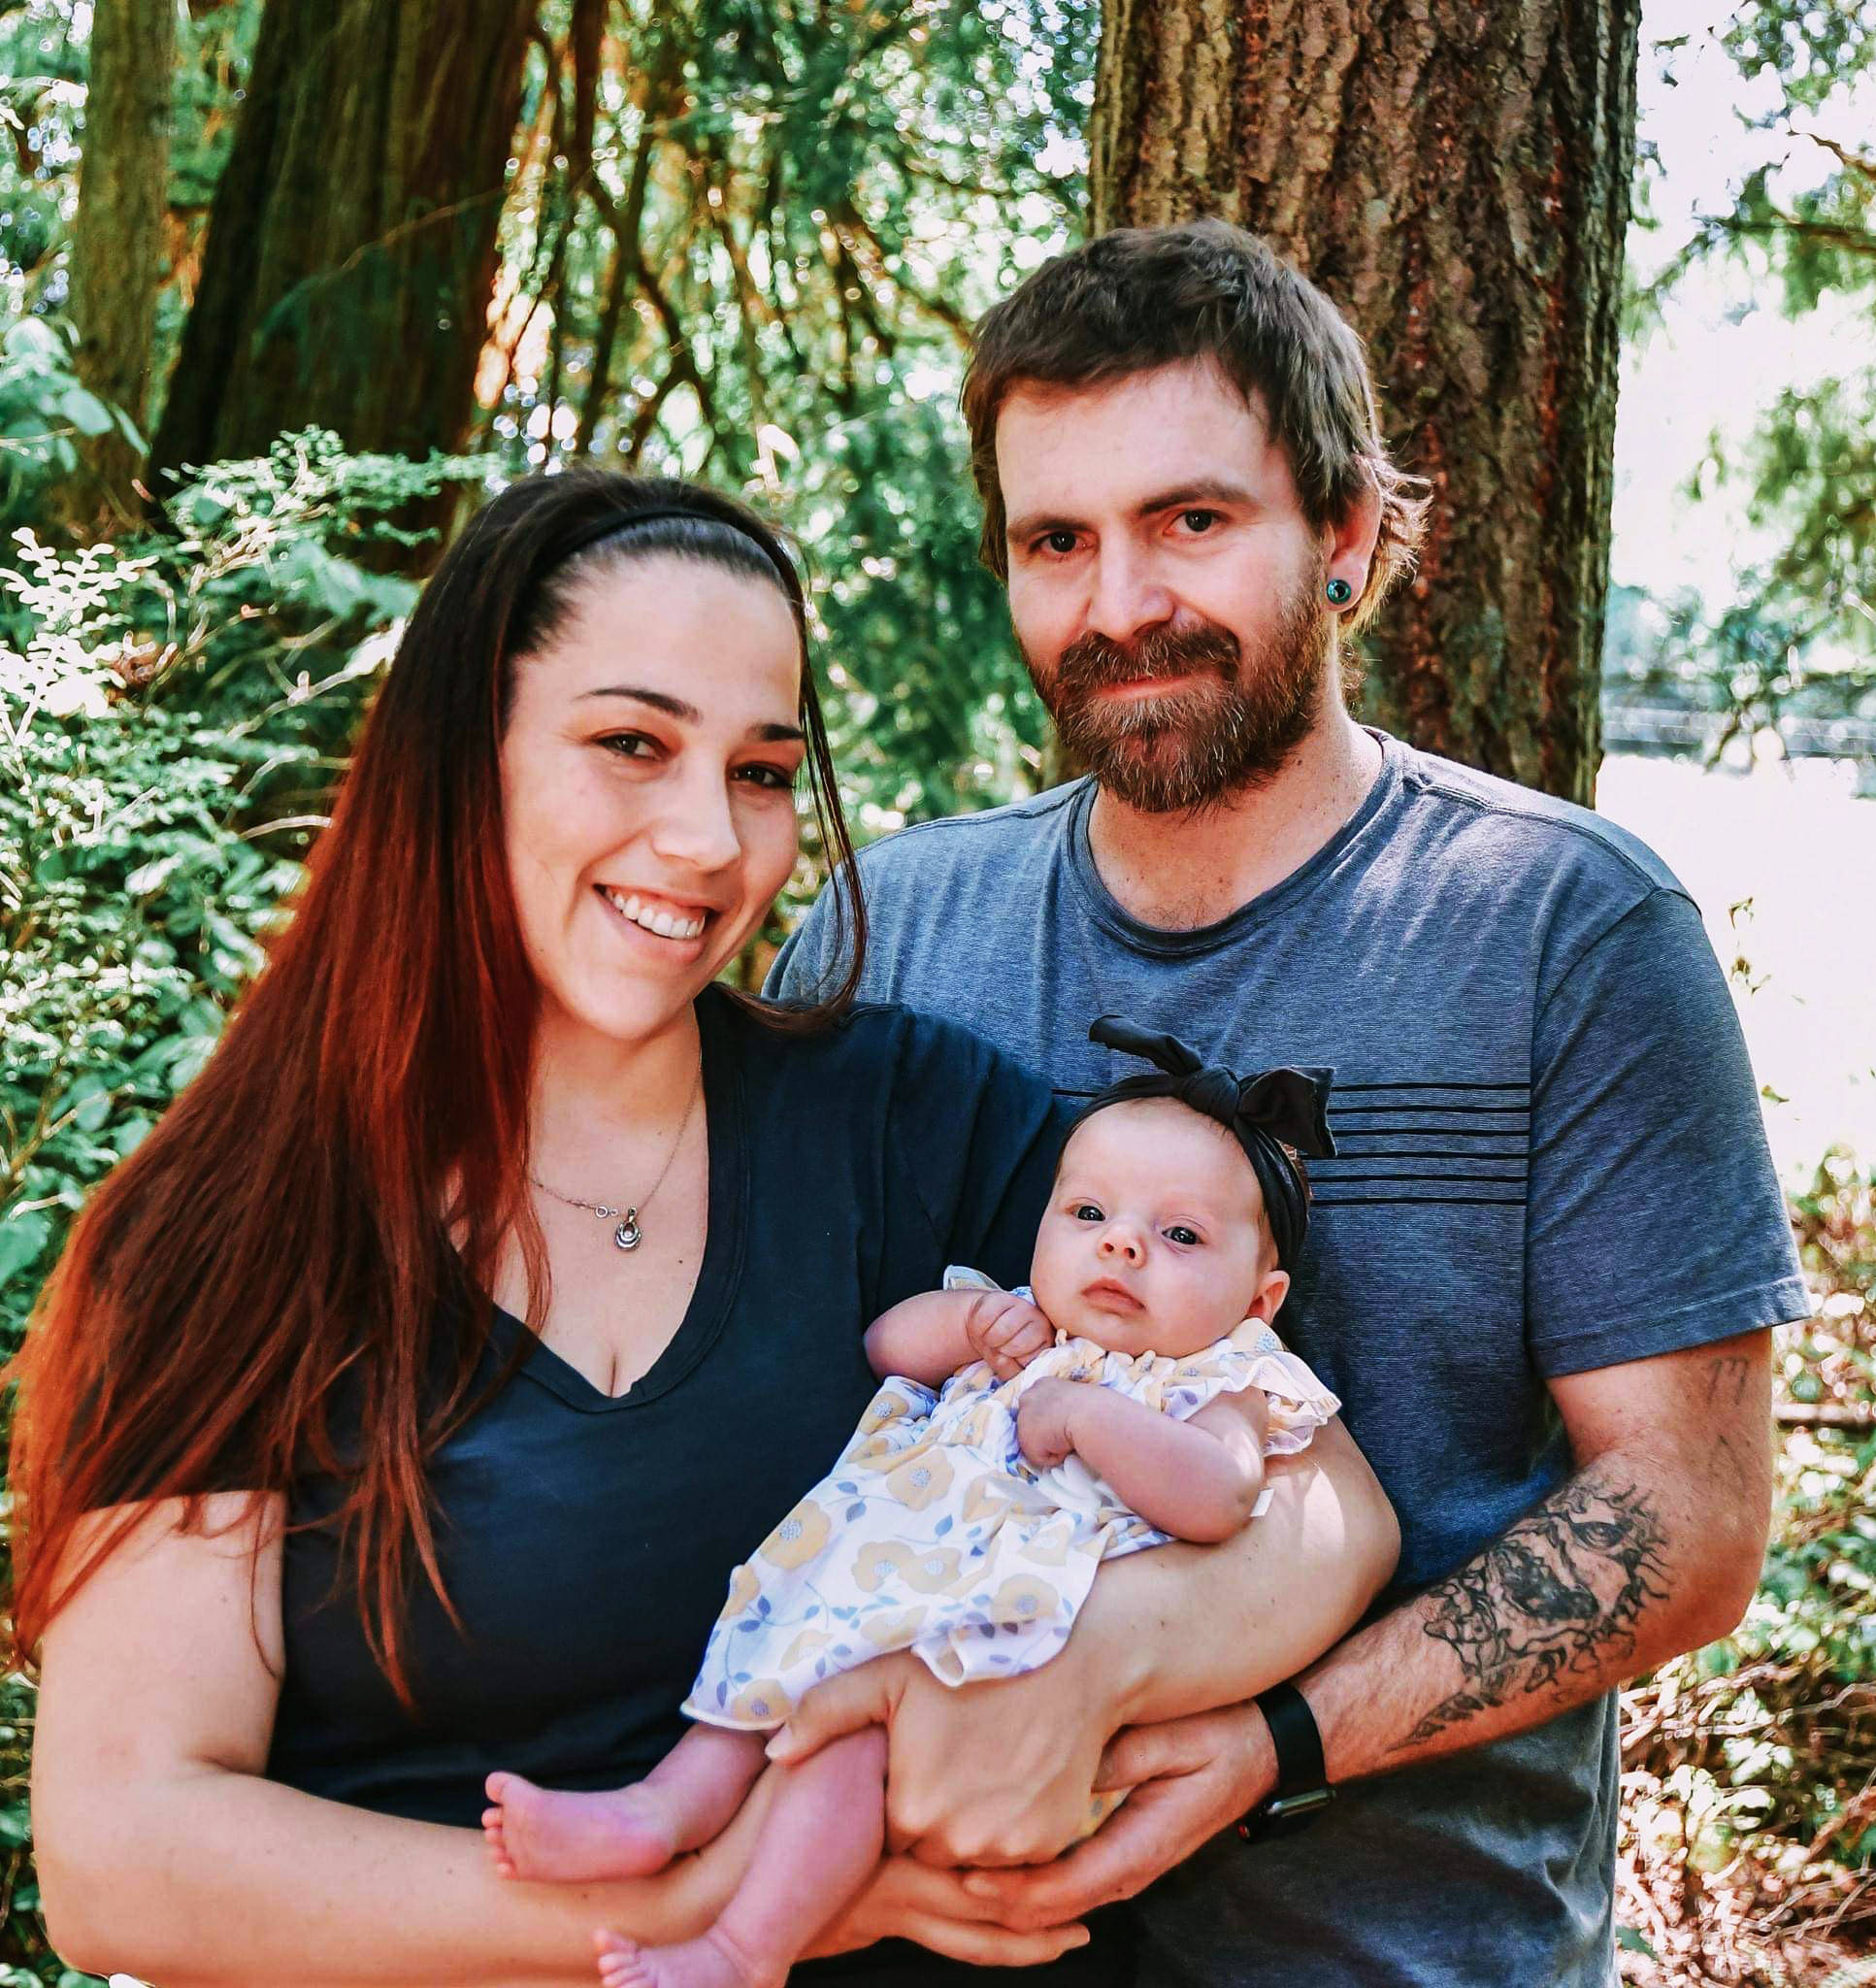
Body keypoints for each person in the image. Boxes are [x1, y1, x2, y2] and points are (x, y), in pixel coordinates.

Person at [11, 470, 1399, 1988]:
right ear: (461, 758)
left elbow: (1328, 1510)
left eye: (758, 771)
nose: (706, 841)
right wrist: (710, 1908)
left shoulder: (905, 1120)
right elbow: (123, 1855)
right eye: (630, 745)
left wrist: (1091, 1668)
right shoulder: (228, 1235)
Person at [766, 219, 1809, 1985]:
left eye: (1189, 520)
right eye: (1053, 540)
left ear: (1337, 533)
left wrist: (1271, 1743)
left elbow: (1691, 1516)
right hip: (892, 1931)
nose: (1117, 604)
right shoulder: (884, 937)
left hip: (1389, 1946)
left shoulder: (1565, 932)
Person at [480, 1019, 1358, 1988]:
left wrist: (1087, 1414)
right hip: (879, 1584)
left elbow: (1222, 1494)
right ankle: (653, 1811)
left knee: (839, 1747)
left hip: (986, 1653)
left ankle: (742, 1949)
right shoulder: (1020, 1319)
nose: (1120, 1242)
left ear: (1259, 1297)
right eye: (1086, 1212)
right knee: (768, 1660)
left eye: (1178, 1233)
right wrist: (967, 1321)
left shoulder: (1225, 1376)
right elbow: (887, 1348)